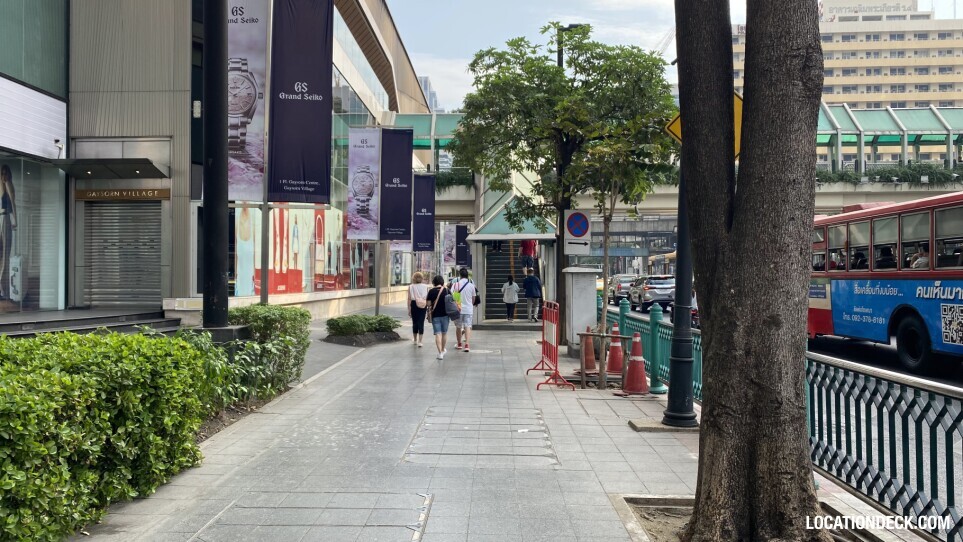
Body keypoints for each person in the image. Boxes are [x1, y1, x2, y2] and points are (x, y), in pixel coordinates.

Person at [0, 165, 17, 301]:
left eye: (5, 173)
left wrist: (15, 220)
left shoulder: (8, 185)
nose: (3, 176)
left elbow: (13, 204)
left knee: (5, 253)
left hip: (5, 218)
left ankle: (2, 288)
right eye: (2, 173)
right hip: (1, 218)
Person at [425, 275, 451, 359]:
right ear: (442, 282)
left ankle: (440, 353)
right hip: (446, 315)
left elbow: (428, 304)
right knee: (444, 333)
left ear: (434, 282)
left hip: (435, 315)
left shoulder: (431, 291)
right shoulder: (447, 290)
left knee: (438, 334)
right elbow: (452, 301)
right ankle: (443, 350)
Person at [452, 267, 476, 352]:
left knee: (458, 327)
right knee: (467, 326)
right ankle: (467, 345)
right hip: (468, 309)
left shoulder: (456, 285)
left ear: (460, 275)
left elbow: (453, 298)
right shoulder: (471, 286)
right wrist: (470, 305)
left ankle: (459, 344)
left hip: (458, 309)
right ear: (467, 276)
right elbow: (473, 299)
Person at [408, 272, 429, 347]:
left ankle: (415, 340)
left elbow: (409, 299)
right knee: (421, 322)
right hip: (423, 304)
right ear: (422, 278)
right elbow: (427, 298)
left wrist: (409, 309)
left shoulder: (411, 286)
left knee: (415, 322)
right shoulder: (425, 286)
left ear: (413, 278)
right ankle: (420, 341)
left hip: (414, 304)